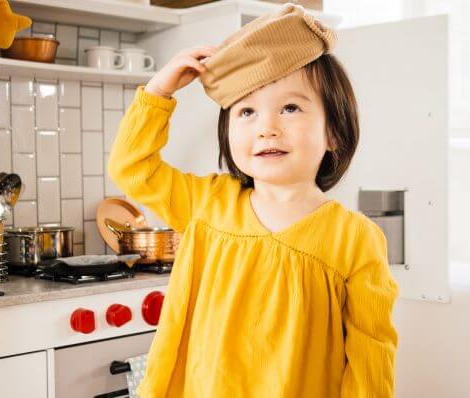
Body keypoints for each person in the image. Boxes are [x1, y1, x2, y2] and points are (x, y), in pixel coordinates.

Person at [107, 3, 399, 397]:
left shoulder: (355, 238)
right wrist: (159, 91)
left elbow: (372, 356)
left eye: (290, 107)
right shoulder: (207, 204)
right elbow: (131, 167)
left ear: (334, 132)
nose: (267, 128)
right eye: (246, 111)